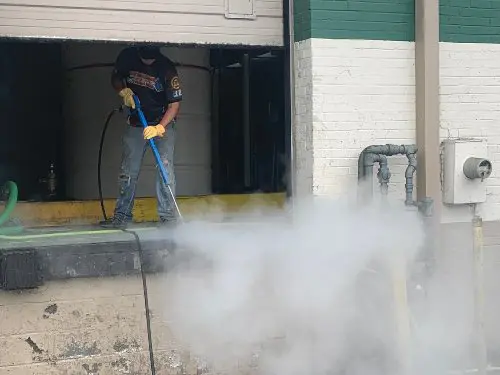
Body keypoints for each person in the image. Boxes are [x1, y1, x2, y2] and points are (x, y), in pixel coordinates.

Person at [100, 45, 182, 229]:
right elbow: (116, 77)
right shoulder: (127, 57)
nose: (147, 63)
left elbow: (174, 105)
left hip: (162, 124)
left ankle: (168, 218)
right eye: (144, 60)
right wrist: (123, 91)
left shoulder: (167, 69)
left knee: (165, 170)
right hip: (136, 124)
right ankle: (122, 217)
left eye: (150, 61)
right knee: (128, 171)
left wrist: (160, 127)